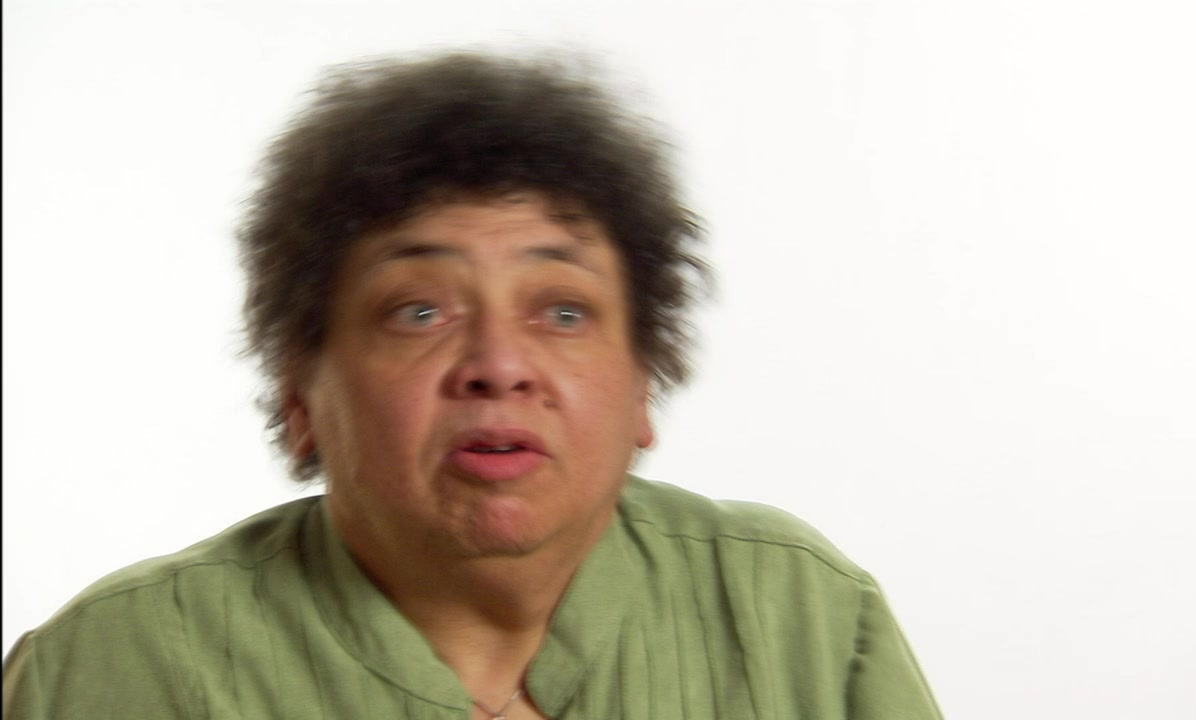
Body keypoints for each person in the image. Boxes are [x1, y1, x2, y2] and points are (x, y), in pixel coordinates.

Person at [2, 50, 943, 719]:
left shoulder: (798, 618)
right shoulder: (117, 668)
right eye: (419, 311)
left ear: (645, 384)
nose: (500, 363)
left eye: (563, 312)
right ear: (299, 392)